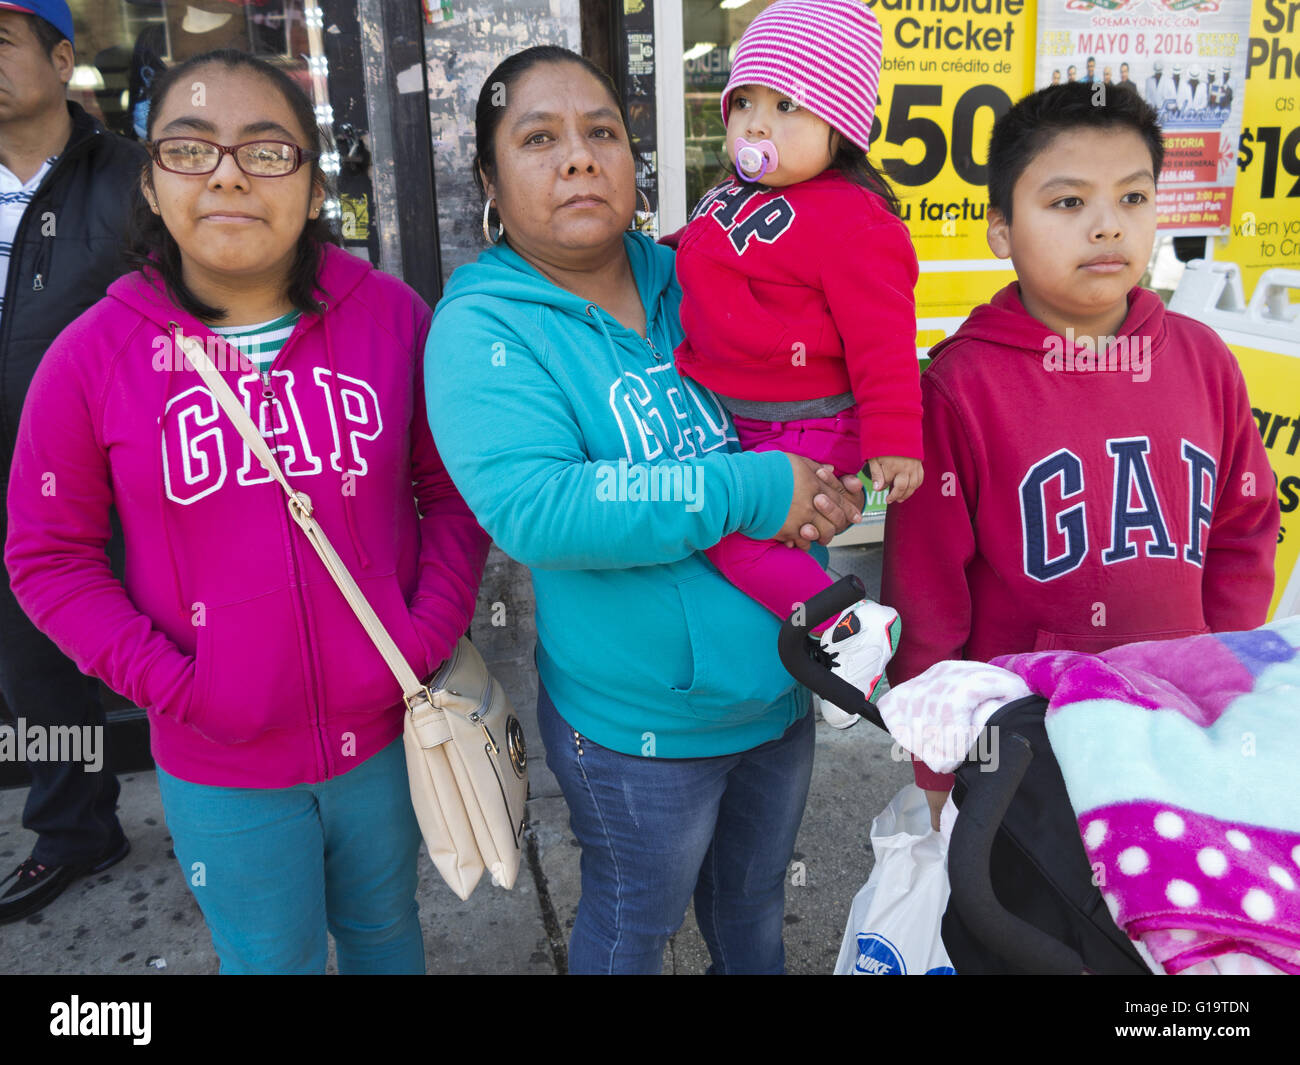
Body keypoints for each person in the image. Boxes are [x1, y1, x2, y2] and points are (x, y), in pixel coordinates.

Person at [5, 48, 490, 973]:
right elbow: (48, 557)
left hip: (387, 740)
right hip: (218, 764)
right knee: (270, 960)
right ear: (151, 185)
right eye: (191, 150)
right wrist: (177, 687)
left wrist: (425, 633)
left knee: (390, 934)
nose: (228, 172)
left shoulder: (393, 319)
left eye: (268, 151)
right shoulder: (91, 356)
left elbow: (451, 491)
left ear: (312, 191)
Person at [425, 46, 865, 974]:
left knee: (751, 915)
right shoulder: (483, 326)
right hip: (638, 735)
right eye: (539, 138)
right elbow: (541, 509)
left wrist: (836, 476)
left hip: (785, 687)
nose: (579, 157)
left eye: (602, 134)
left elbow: (810, 397)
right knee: (634, 929)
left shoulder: (703, 273)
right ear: (490, 181)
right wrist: (756, 490)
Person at [880, 82, 1280, 830]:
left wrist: (1220, 677)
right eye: (1069, 204)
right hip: (1030, 743)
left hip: (1181, 729)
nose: (1107, 227)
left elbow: (1244, 530)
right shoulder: (963, 386)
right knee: (1035, 933)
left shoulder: (1203, 359)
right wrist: (934, 770)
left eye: (1133, 199)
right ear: (1001, 228)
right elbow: (929, 595)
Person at [666, 0, 922, 730]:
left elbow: (883, 338)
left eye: (786, 105)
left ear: (839, 127)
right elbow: (689, 250)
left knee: (728, 535)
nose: (754, 122)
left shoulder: (852, 219)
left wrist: (895, 436)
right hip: (747, 420)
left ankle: (849, 632)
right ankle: (838, 658)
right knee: (778, 535)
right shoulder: (730, 197)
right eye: (743, 100)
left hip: (811, 423)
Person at [0, 0, 146, 925]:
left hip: (123, 469)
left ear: (62, 61)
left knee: (167, 639)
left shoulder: (134, 179)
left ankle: (233, 815)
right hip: (9, 478)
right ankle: (75, 829)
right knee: (34, 668)